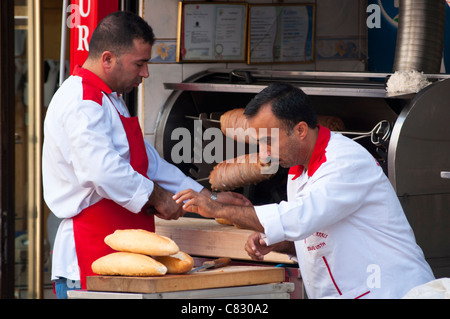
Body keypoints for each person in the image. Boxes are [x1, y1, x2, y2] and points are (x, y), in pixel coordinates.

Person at [42, 11, 249, 299]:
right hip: (88, 254)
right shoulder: (82, 101)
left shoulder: (109, 98)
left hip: (128, 255)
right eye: (139, 64)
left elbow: (147, 162)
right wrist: (158, 197)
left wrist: (205, 197)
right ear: (107, 59)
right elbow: (102, 171)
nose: (145, 73)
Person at [174, 82, 435, 299]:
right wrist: (282, 243)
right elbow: (319, 231)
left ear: (300, 130)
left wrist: (218, 208)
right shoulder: (298, 170)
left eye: (268, 141)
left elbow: (299, 218)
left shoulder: (344, 161)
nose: (264, 153)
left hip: (392, 292)